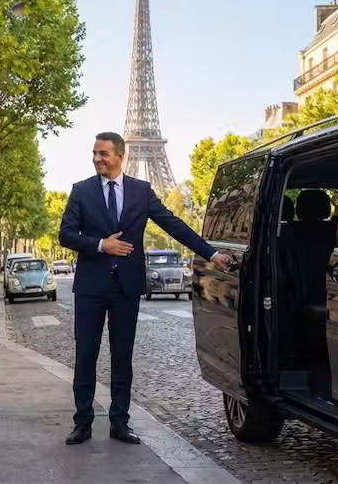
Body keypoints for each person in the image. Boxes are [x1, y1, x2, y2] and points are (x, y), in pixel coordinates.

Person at [58, 132, 231, 445]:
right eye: (94, 153)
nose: (97, 159)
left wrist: (212, 253)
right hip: (91, 288)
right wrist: (101, 245)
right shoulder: (81, 191)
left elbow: (172, 224)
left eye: (104, 154)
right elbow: (66, 235)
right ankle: (82, 422)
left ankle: (119, 422)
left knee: (122, 357)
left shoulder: (141, 191)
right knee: (86, 355)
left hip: (126, 286)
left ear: (121, 155)